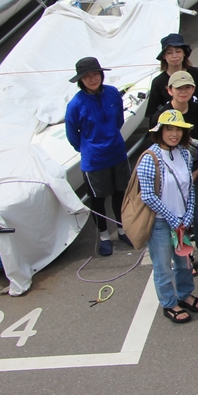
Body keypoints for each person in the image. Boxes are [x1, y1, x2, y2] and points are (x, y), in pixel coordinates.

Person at [136, 110, 198, 324]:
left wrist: (188, 213)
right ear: (160, 131)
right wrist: (172, 218)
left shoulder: (185, 154)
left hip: (182, 222)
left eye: (178, 130)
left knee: (184, 262)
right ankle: (169, 303)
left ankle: (185, 294)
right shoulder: (150, 157)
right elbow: (148, 195)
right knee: (163, 267)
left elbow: (189, 187)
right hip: (160, 223)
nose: (174, 134)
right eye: (169, 129)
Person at [152, 70, 198, 275]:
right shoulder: (161, 115)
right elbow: (155, 148)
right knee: (178, 217)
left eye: (187, 87)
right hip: (170, 174)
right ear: (169, 90)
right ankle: (185, 254)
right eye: (179, 88)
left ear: (193, 89)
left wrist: (197, 172)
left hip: (195, 169)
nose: (183, 91)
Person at [65, 56, 129, 257]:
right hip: (94, 160)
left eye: (95, 74)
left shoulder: (112, 93)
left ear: (101, 75)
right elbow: (72, 134)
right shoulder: (76, 104)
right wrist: (88, 148)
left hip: (117, 153)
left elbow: (119, 120)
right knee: (98, 199)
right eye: (87, 76)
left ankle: (122, 229)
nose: (92, 79)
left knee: (120, 194)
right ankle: (103, 236)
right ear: (80, 80)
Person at [146, 33, 198, 121]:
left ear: (184, 53)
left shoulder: (197, 74)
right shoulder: (158, 82)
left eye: (178, 51)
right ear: (164, 56)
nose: (174, 56)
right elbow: (153, 114)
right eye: (169, 53)